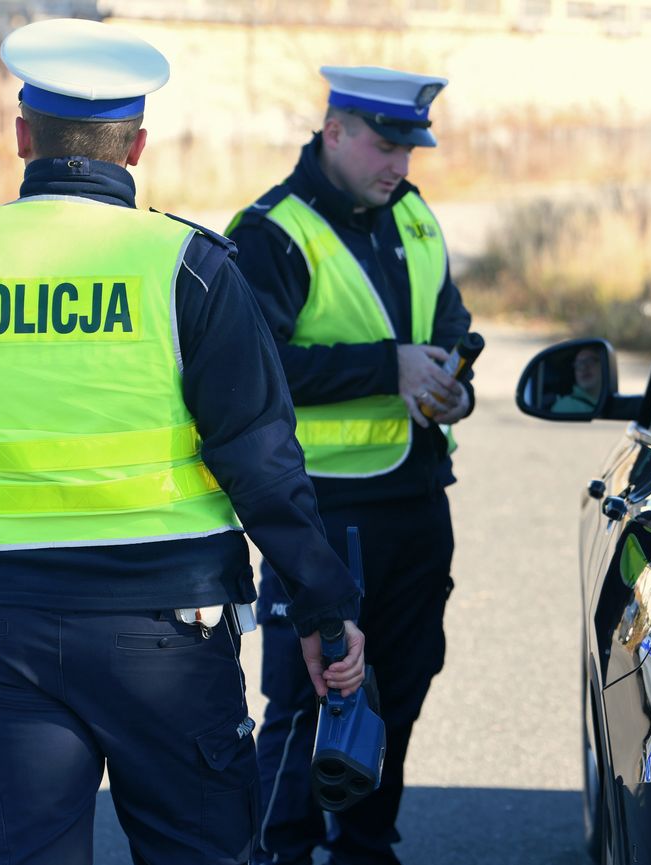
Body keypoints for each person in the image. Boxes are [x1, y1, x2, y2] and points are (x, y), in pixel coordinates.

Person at [0, 19, 365, 865]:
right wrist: (323, 607)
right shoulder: (189, 267)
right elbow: (262, 463)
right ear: (136, 144)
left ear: (23, 136)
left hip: (7, 620)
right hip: (166, 629)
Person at [225, 65, 474, 865]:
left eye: (409, 148)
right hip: (322, 510)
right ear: (334, 132)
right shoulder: (271, 232)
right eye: (384, 144)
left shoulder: (413, 214)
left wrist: (451, 383)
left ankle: (366, 847)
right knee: (310, 699)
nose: (399, 164)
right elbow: (250, 372)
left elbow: (454, 326)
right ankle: (281, 852)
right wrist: (387, 367)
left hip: (416, 496)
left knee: (400, 686)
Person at [551, 346, 604, 413]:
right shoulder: (566, 406)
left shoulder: (607, 400)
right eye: (578, 364)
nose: (584, 367)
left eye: (590, 361)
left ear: (603, 366)